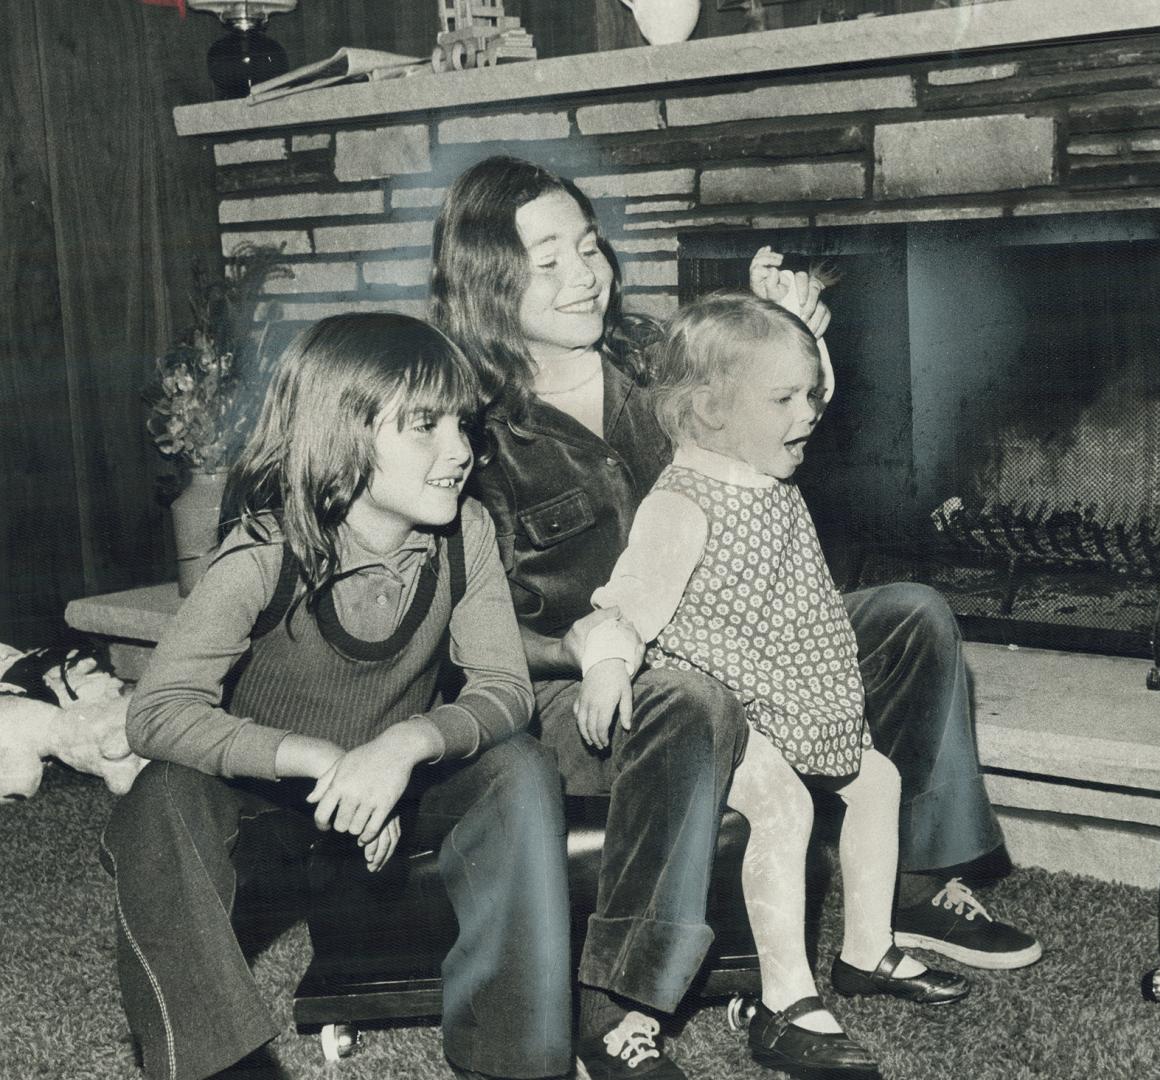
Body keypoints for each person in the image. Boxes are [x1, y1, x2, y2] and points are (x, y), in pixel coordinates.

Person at [430, 155, 1040, 1080]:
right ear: (488, 282)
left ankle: (908, 889)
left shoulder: (650, 354)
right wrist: (589, 647)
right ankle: (620, 1008)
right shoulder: (469, 430)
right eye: (546, 260)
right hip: (591, 687)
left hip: (738, 631)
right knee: (690, 697)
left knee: (911, 614)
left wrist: (785, 332)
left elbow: (764, 394)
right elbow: (463, 624)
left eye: (588, 247)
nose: (583, 275)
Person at [100, 313, 572, 1080]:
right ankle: (219, 1067)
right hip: (271, 810)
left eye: (463, 424)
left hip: (404, 796)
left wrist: (404, 745)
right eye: (425, 426)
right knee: (159, 803)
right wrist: (322, 761)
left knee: (520, 768)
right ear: (342, 436)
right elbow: (155, 712)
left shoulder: (467, 534)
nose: (460, 451)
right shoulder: (262, 552)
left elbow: (503, 690)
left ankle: (515, 1060)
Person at [577, 291, 971, 1080]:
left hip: (794, 690)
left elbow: (806, 380)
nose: (810, 413)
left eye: (810, 397)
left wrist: (801, 336)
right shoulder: (683, 503)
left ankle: (866, 951)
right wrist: (610, 665)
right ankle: (786, 1000)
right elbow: (624, 603)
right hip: (731, 707)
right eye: (786, 399)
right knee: (785, 805)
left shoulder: (763, 468)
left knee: (878, 781)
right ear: (711, 411)